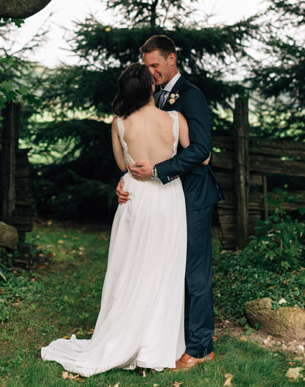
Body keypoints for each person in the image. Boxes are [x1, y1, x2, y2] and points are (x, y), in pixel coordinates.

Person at [41, 63, 190, 376]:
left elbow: (123, 163)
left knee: (129, 269)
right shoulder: (175, 120)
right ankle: (151, 351)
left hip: (135, 195)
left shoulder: (120, 123)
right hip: (167, 195)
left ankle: (126, 339)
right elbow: (196, 157)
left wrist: (125, 180)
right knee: (163, 270)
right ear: (151, 87)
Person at [119, 34, 223, 371]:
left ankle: (200, 346)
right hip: (165, 197)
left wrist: (159, 171)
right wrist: (125, 182)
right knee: (167, 270)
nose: (151, 73)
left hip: (192, 195)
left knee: (195, 273)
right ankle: (172, 336)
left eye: (156, 65)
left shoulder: (190, 96)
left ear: (172, 59)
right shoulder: (152, 98)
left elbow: (201, 150)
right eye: (147, 67)